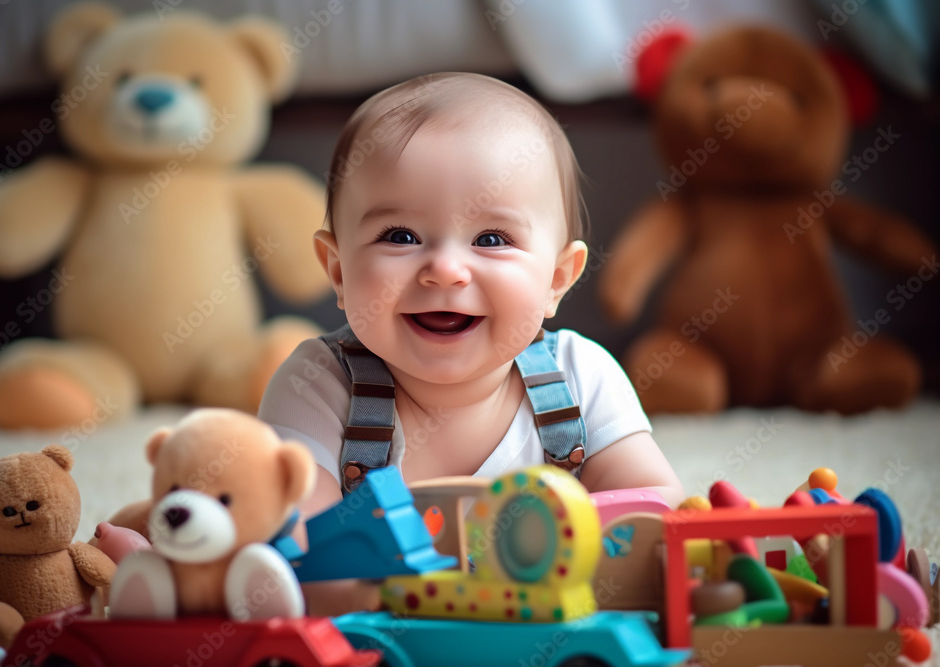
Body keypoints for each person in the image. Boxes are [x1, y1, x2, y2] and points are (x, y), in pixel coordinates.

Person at [258, 72, 684, 614]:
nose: (445, 270)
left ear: (557, 279)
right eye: (401, 236)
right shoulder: (317, 383)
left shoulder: (581, 376)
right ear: (339, 272)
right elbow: (297, 550)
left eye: (491, 239)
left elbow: (654, 514)